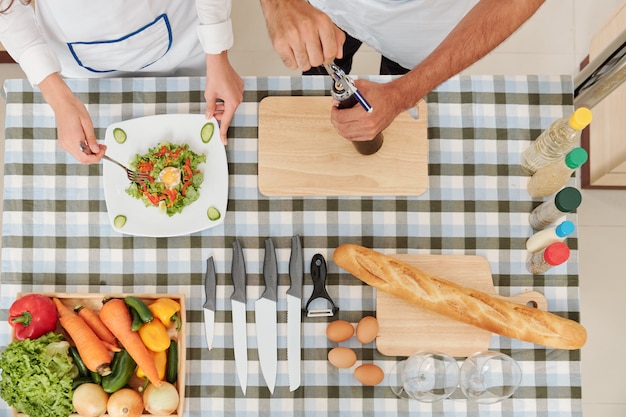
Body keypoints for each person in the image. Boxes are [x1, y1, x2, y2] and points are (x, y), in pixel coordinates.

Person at [259, 0, 545, 142]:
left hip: (419, 31)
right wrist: (280, 4)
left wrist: (402, 94)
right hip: (326, 10)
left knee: (393, 97)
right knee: (323, 69)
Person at [0, 0, 243, 164]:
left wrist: (217, 51)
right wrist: (57, 97)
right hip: (80, 58)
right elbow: (7, 12)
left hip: (179, 37)